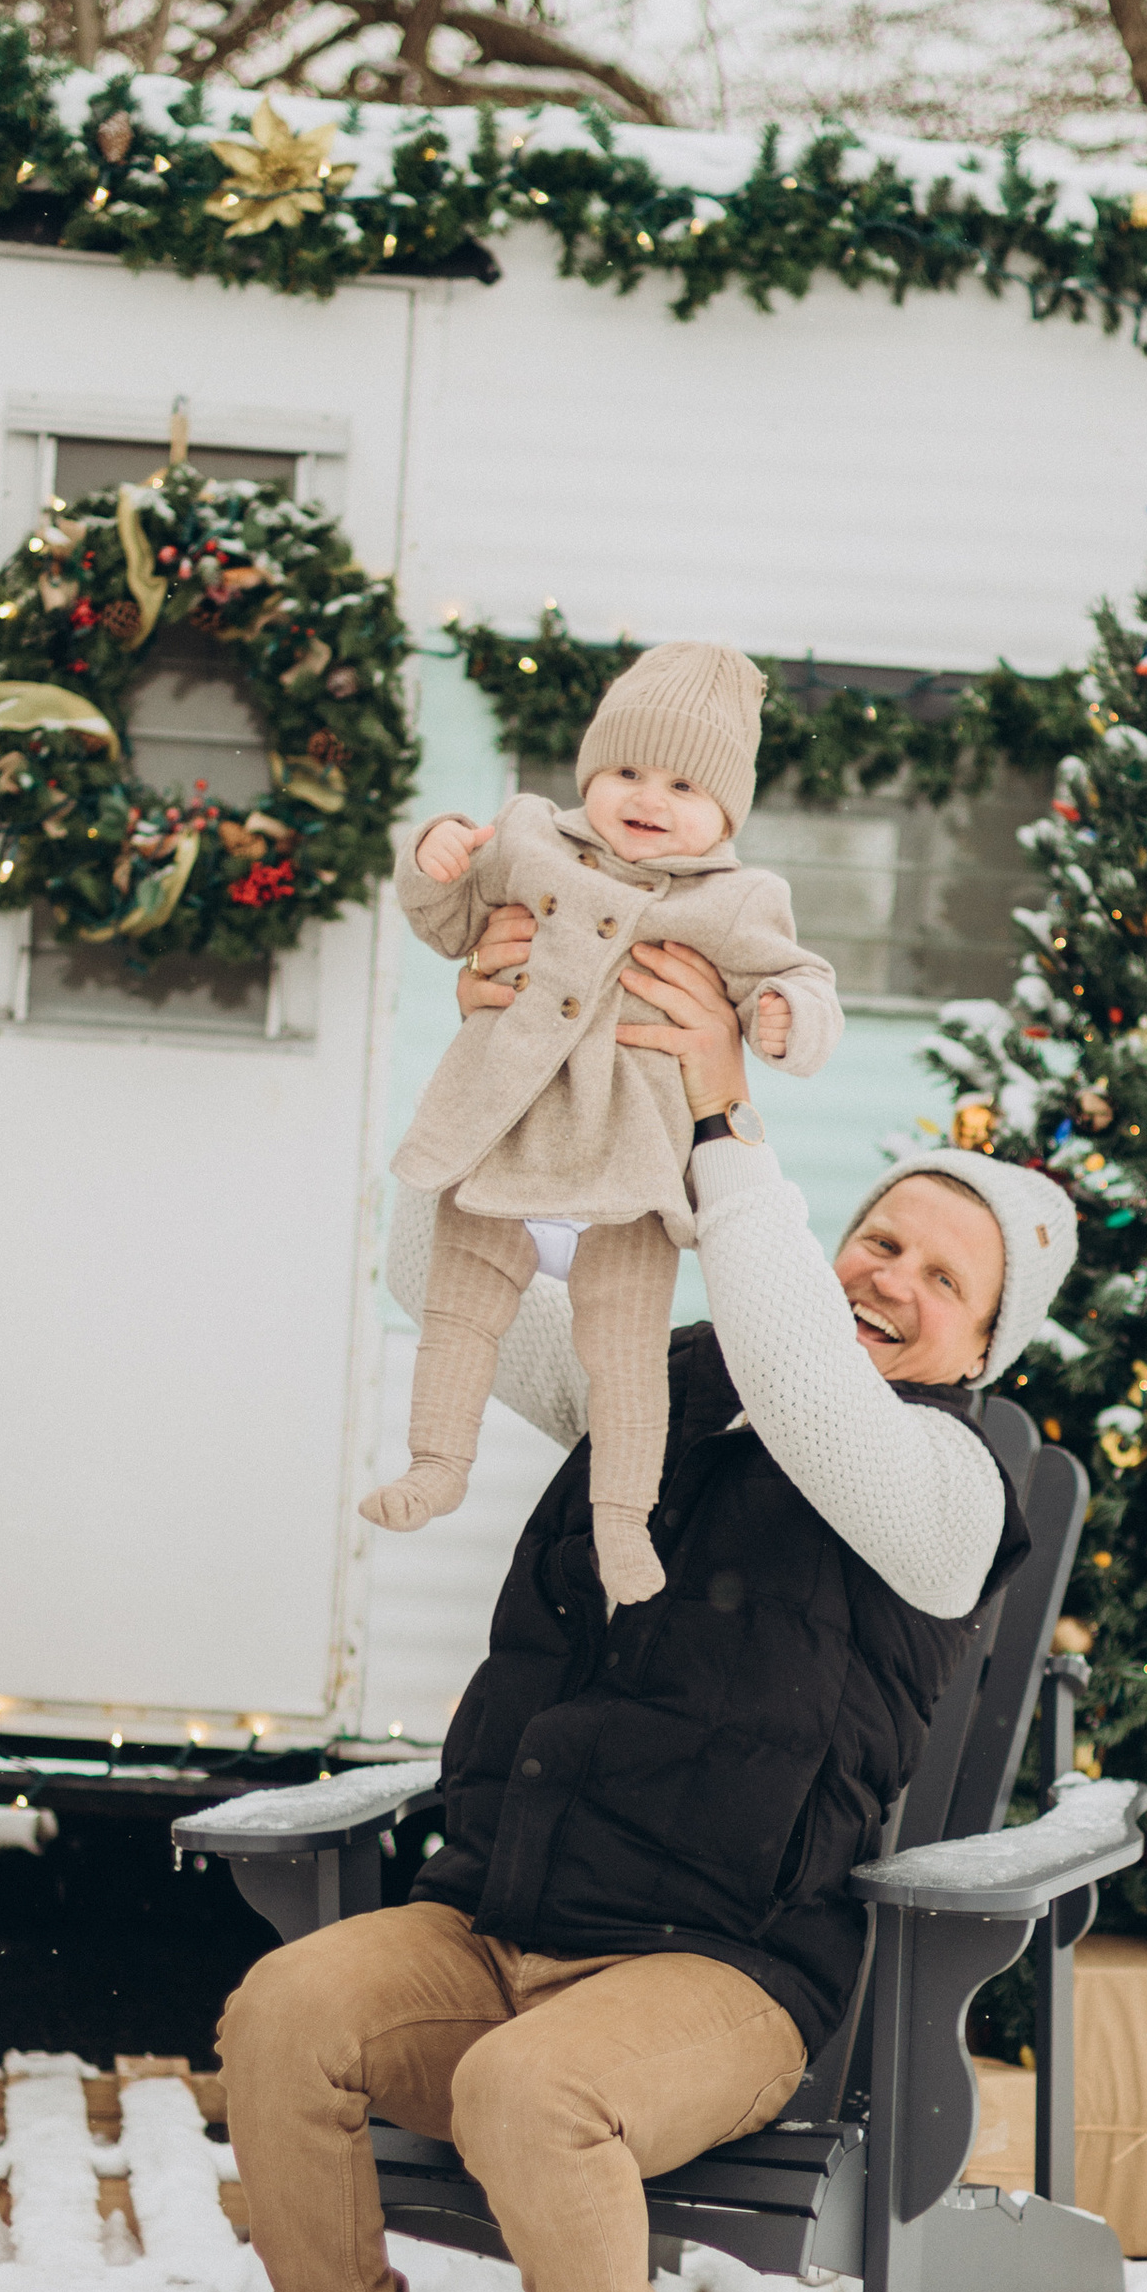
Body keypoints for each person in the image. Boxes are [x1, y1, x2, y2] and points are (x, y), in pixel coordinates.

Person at [221, 906, 1079, 2292]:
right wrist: (484, 1062)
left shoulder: (949, 1485)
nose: (890, 1280)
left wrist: (718, 1126)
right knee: (286, 2014)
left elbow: (814, 1392)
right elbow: (443, 1280)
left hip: (732, 1972)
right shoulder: (669, 1390)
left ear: (987, 1345)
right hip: (509, 1916)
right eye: (879, 1241)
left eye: (940, 1275)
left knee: (528, 2092)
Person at [358, 642, 842, 1607]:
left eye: (682, 784)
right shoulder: (531, 837)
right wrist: (436, 855)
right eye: (626, 770)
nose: (648, 796)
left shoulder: (737, 899)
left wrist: (789, 1016)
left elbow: (799, 979)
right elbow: (447, 918)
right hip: (507, 1133)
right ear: (589, 772)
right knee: (458, 1315)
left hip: (629, 1168)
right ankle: (436, 1462)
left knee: (624, 1356)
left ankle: (624, 1522)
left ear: (727, 812)